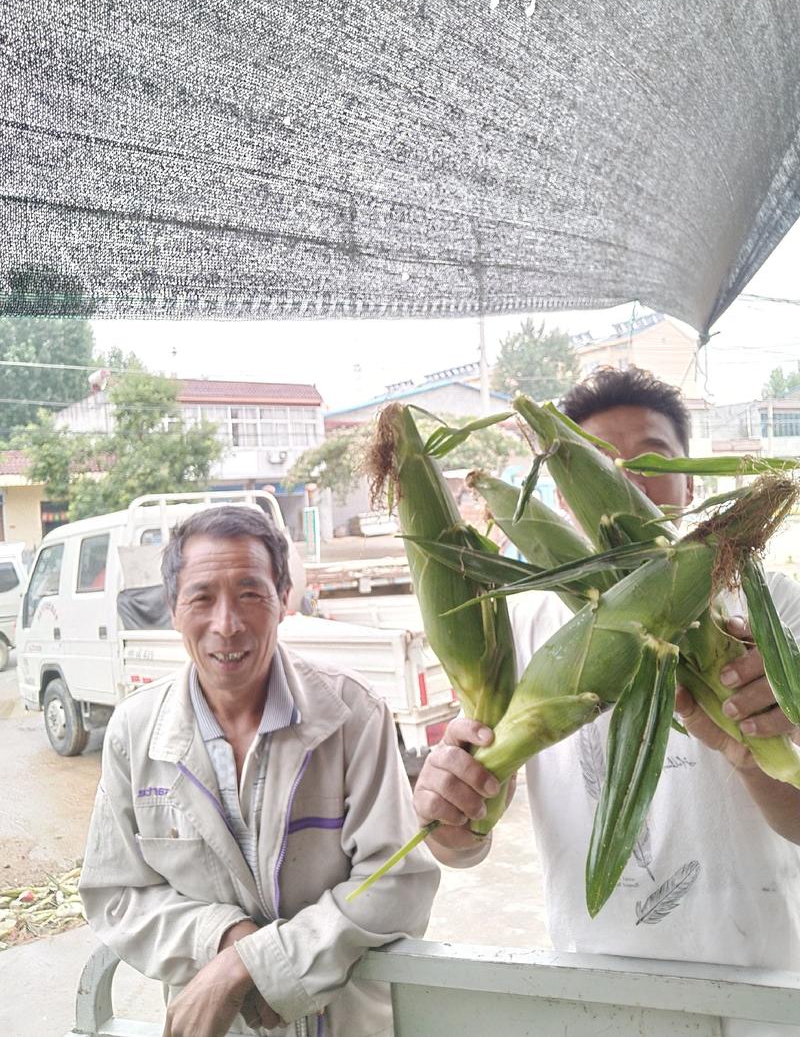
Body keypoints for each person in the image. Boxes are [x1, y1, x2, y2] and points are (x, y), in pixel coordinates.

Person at [414, 367, 800, 1031]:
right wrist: (448, 814)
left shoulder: (775, 611)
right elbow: (463, 843)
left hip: (763, 989)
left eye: (651, 458)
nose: (626, 481)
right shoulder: (522, 627)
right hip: (596, 991)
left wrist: (751, 752)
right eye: (597, 463)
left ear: (689, 477)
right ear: (562, 491)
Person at [80, 505, 439, 1037]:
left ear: (284, 600)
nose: (226, 624)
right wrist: (222, 938)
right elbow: (116, 894)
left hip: (344, 1022)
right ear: (173, 609)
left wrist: (252, 963)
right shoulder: (136, 733)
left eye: (251, 593)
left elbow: (398, 882)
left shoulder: (351, 714)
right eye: (202, 597)